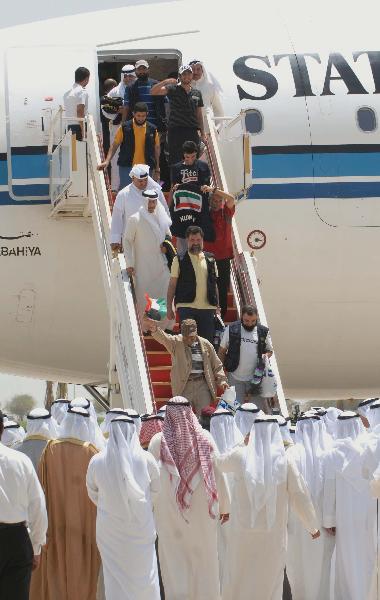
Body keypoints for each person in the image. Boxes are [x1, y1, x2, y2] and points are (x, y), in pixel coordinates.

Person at [215, 416, 319, 600]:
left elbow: (219, 463)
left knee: (241, 578)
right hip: (273, 536)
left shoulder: (240, 456)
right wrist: (312, 526)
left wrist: (241, 444)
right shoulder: (284, 461)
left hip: (243, 534)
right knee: (270, 582)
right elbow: (299, 495)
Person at [148, 397, 230, 600]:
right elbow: (219, 476)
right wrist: (225, 507)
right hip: (202, 515)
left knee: (175, 563)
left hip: (169, 515)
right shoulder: (205, 439)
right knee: (204, 562)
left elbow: (148, 479)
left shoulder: (158, 441)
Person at [30, 406, 100, 600]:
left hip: (56, 522)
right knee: (83, 571)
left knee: (56, 570)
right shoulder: (92, 452)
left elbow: (40, 487)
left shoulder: (50, 449)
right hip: (86, 525)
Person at [87, 416, 161, 600]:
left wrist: (110, 506)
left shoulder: (97, 461)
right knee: (145, 576)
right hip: (141, 527)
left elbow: (92, 492)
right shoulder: (147, 460)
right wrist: (140, 506)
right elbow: (156, 491)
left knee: (115, 580)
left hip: (110, 530)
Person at [322, 411, 374, 600]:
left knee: (347, 559)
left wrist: (329, 519)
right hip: (367, 512)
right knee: (366, 555)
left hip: (345, 514)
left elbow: (329, 489)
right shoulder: (367, 447)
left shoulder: (331, 454)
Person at [285, 415, 334, 600]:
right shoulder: (327, 452)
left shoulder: (291, 453)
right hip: (323, 522)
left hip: (297, 519)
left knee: (300, 566)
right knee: (321, 566)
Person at [0, 410, 47, 600]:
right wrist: (36, 547)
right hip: (16, 541)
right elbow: (38, 507)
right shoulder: (21, 461)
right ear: (2, 429)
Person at [145, 317, 228, 416]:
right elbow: (164, 338)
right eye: (186, 337)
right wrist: (155, 329)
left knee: (204, 416)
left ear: (196, 333)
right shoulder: (176, 342)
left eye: (192, 337)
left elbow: (216, 365)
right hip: (184, 386)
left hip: (202, 385)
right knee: (182, 417)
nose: (189, 339)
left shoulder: (206, 344)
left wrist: (222, 380)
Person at [124, 189, 175, 329]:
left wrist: (166, 245)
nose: (152, 204)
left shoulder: (161, 217)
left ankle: (163, 327)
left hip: (161, 265)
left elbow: (168, 235)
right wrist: (129, 263)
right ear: (144, 201)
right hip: (143, 267)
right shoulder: (135, 219)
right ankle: (147, 328)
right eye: (149, 201)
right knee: (145, 297)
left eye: (154, 201)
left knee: (162, 296)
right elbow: (127, 241)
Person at [167, 225, 219, 342]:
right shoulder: (178, 259)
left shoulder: (211, 259)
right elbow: (172, 285)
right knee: (188, 344)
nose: (195, 243)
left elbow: (214, 284)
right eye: (192, 240)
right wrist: (169, 307)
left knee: (206, 345)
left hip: (207, 308)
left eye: (198, 240)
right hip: (186, 307)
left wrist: (217, 306)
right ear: (187, 241)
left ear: (202, 240)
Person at [218, 304, 273, 409]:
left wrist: (265, 356)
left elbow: (270, 351)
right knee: (233, 410)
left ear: (256, 318)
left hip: (255, 378)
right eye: (246, 321)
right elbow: (222, 351)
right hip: (234, 376)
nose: (250, 324)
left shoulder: (263, 331)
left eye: (253, 321)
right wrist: (221, 373)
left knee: (256, 411)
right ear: (241, 317)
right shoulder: (231, 328)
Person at [98, 102, 161, 190]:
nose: (141, 118)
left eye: (143, 116)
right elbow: (114, 145)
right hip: (127, 166)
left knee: (144, 194)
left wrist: (157, 168)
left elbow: (156, 149)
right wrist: (107, 161)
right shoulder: (124, 127)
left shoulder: (152, 129)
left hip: (146, 168)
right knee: (126, 192)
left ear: (147, 114)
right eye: (138, 115)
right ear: (133, 114)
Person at [151, 64, 205, 165]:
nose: (186, 76)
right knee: (175, 162)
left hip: (192, 131)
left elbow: (199, 115)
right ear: (180, 76)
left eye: (189, 74)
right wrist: (166, 81)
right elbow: (153, 91)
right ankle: (175, 181)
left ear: (192, 76)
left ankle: (191, 181)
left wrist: (202, 133)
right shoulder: (173, 89)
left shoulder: (197, 93)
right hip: (176, 131)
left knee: (192, 162)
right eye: (183, 74)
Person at [110, 164, 169, 255]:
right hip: (133, 240)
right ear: (133, 178)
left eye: (145, 180)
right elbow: (117, 218)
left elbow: (165, 213)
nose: (143, 183)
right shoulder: (123, 194)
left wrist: (166, 237)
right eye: (140, 181)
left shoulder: (156, 191)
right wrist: (116, 239)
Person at [169, 140, 213, 255]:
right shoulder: (176, 168)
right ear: (184, 155)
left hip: (199, 209)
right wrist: (176, 187)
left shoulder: (203, 166)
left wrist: (205, 187)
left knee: (198, 238)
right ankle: (183, 266)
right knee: (182, 242)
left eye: (193, 156)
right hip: (183, 210)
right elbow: (173, 188)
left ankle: (199, 264)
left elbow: (207, 185)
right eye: (188, 157)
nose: (191, 159)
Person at [203, 185, 236, 319]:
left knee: (223, 287)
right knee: (209, 285)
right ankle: (210, 313)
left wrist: (213, 190)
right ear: (210, 202)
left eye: (218, 201)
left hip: (224, 256)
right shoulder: (206, 213)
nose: (216, 203)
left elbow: (232, 198)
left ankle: (222, 315)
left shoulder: (226, 212)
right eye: (213, 201)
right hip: (208, 256)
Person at [123, 59, 166, 133]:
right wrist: (123, 125)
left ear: (148, 70)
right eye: (139, 69)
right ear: (135, 71)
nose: (142, 71)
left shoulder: (156, 85)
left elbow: (166, 104)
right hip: (136, 127)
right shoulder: (130, 87)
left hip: (156, 127)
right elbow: (126, 108)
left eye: (144, 69)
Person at [63, 66, 90, 141]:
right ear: (86, 78)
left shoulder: (67, 93)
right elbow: (80, 111)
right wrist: (84, 130)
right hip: (79, 127)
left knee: (73, 152)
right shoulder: (81, 91)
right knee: (81, 151)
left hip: (69, 127)